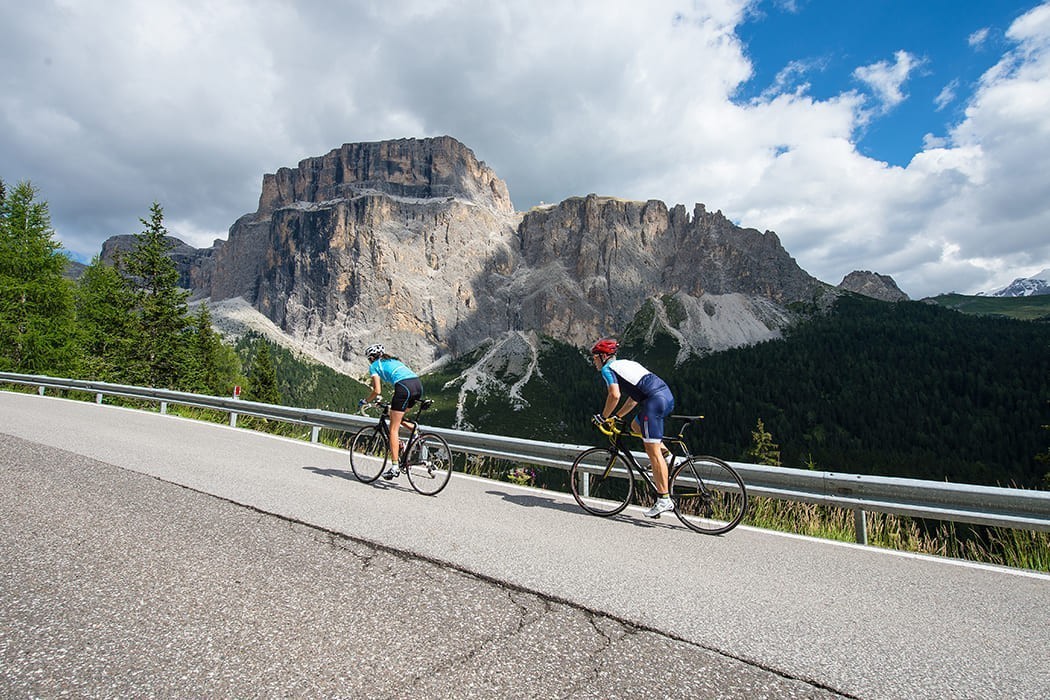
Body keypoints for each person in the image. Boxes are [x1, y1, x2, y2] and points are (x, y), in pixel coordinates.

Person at [589, 338, 676, 517]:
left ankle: (664, 499)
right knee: (636, 425)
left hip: (653, 402)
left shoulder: (608, 369)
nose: (594, 361)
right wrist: (617, 416)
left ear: (604, 356)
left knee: (652, 451)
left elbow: (614, 395)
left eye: (595, 357)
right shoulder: (627, 364)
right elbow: (633, 398)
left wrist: (603, 417)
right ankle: (667, 456)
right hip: (665, 396)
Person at [360, 343, 424, 480]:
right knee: (396, 415)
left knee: (393, 429)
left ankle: (394, 467)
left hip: (404, 387)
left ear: (371, 358)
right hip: (417, 385)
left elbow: (377, 390)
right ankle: (415, 431)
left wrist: (366, 401)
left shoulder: (374, 366)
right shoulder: (393, 360)